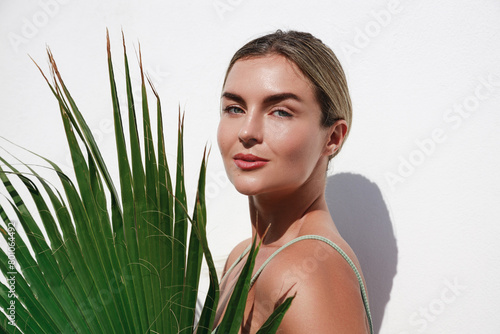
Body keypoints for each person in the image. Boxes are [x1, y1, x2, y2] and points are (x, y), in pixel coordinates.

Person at [213, 30, 372, 333]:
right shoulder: (242, 257)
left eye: (280, 112)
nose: (247, 131)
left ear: (333, 138)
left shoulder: (308, 270)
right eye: (235, 108)